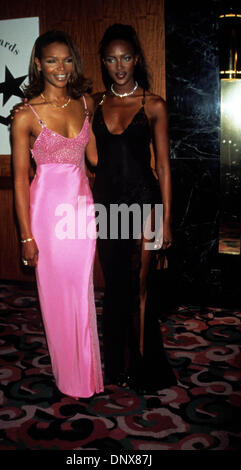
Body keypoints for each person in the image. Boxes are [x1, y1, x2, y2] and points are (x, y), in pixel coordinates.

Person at [11, 30, 103, 399]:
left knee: (82, 290)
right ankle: (71, 376)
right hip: (47, 216)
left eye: (66, 60)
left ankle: (87, 372)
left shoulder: (85, 103)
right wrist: (26, 236)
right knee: (57, 295)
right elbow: (19, 180)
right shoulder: (25, 115)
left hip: (82, 211)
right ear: (38, 64)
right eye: (52, 60)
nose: (60, 68)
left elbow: (96, 157)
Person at [92, 24, 177, 392]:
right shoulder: (92, 103)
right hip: (106, 207)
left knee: (139, 285)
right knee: (113, 286)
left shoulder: (153, 103)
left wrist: (167, 221)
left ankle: (143, 367)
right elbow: (57, 107)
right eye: (111, 59)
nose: (120, 65)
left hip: (143, 203)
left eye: (126, 57)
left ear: (137, 59)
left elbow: (163, 166)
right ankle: (116, 366)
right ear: (103, 63)